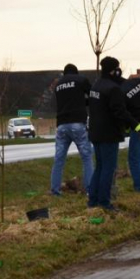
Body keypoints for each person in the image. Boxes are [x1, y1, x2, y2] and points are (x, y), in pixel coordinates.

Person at [88, 57, 140, 211]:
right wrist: (137, 126)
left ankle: (93, 201)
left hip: (95, 132)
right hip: (109, 133)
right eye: (117, 68)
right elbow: (120, 112)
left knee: (100, 166)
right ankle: (104, 202)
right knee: (108, 168)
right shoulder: (113, 89)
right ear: (113, 71)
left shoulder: (96, 86)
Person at [49, 64, 93, 196]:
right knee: (86, 157)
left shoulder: (58, 85)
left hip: (62, 125)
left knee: (59, 159)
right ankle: (89, 190)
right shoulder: (81, 80)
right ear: (75, 72)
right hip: (77, 123)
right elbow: (92, 96)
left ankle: (55, 191)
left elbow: (67, 100)